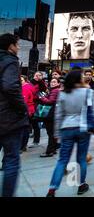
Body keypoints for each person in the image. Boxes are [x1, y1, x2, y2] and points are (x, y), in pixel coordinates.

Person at [46, 70, 94, 197]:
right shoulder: (88, 92)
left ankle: (52, 189)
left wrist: (57, 132)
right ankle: (81, 185)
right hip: (83, 127)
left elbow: (58, 115)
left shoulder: (63, 93)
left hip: (67, 128)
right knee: (81, 159)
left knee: (62, 160)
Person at [0, 34, 29, 197]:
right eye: (17, 45)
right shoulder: (10, 61)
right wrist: (22, 108)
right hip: (8, 119)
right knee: (11, 160)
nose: (18, 48)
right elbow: (10, 86)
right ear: (10, 46)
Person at [38, 78, 62, 158]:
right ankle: (53, 149)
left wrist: (42, 98)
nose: (52, 83)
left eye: (54, 82)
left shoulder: (55, 90)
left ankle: (49, 151)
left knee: (50, 133)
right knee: (52, 133)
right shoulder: (56, 90)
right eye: (51, 82)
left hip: (51, 114)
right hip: (54, 113)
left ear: (58, 83)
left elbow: (50, 101)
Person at [30, 71, 48, 147]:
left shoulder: (42, 84)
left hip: (38, 105)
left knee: (35, 122)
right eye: (36, 75)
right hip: (30, 104)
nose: (37, 77)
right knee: (31, 122)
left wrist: (40, 81)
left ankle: (36, 140)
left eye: (39, 75)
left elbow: (45, 91)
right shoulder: (30, 82)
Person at [20, 75, 36, 152]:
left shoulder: (25, 88)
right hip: (30, 110)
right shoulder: (30, 86)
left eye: (21, 80)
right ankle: (23, 145)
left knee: (24, 129)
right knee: (26, 128)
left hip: (26, 111)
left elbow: (23, 101)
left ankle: (22, 146)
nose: (20, 82)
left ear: (25, 81)